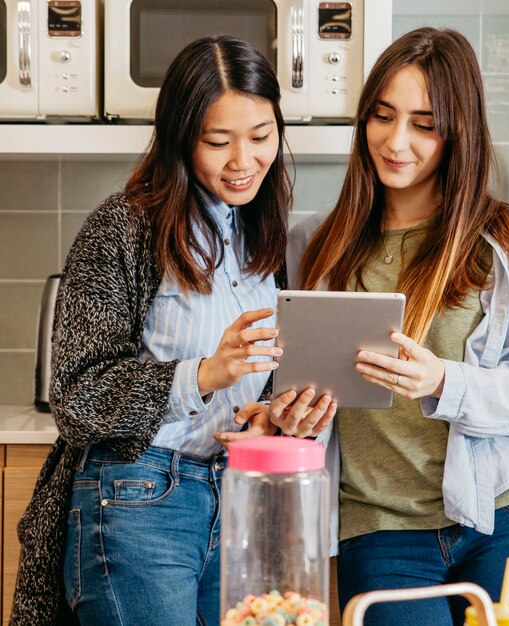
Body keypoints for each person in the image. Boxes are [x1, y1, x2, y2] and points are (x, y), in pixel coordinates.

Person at [10, 36, 334, 626]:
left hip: (239, 494)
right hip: (142, 495)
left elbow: (255, 388)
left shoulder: (261, 238)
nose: (243, 160)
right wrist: (206, 373)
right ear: (181, 138)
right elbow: (77, 398)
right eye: (218, 141)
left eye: (261, 137)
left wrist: (275, 414)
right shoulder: (123, 227)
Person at [275, 27, 509, 626]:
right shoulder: (311, 245)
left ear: (457, 134)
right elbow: (285, 388)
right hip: (381, 527)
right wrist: (291, 418)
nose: (396, 140)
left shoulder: (507, 243)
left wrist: (443, 380)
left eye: (424, 123)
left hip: (508, 513)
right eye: (383, 117)